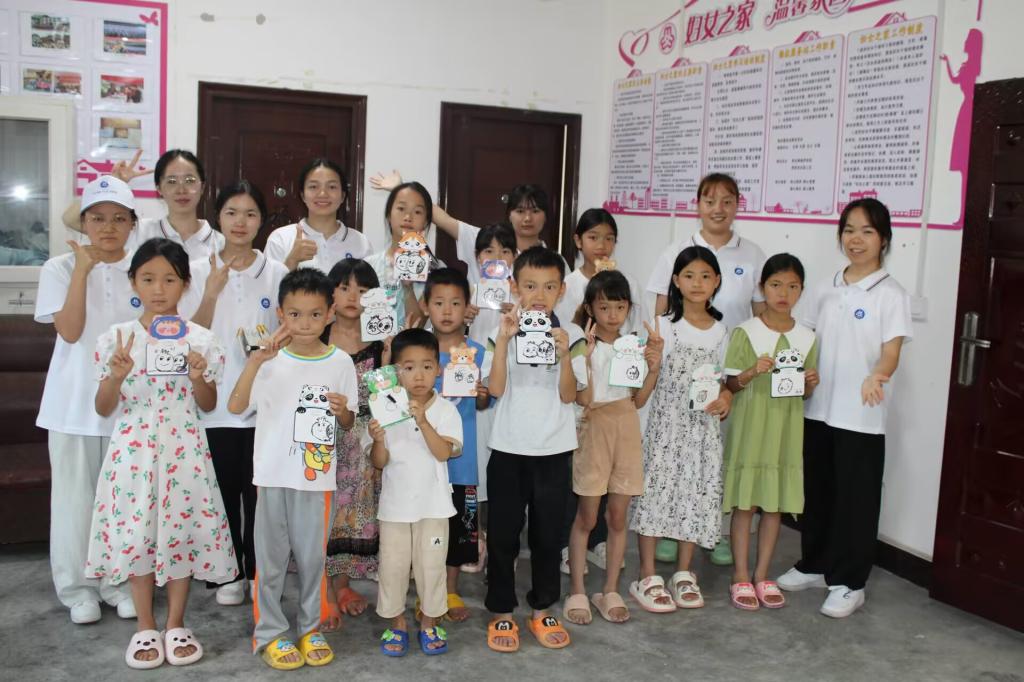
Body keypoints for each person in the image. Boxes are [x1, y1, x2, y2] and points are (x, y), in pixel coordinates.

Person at [86, 238, 235, 669]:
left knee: (180, 532)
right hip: (133, 452)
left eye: (169, 279)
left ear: (185, 284)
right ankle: (145, 626)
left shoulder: (201, 340)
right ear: (133, 281)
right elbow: (103, 408)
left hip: (184, 448)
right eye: (148, 278)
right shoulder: (117, 339)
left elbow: (208, 404)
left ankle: (175, 624)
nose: (158, 289)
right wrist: (116, 376)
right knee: (138, 535)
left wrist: (198, 375)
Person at [776, 198, 912, 619]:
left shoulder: (891, 294)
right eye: (850, 230)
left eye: (867, 231)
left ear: (883, 239)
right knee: (818, 491)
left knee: (856, 499)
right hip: (818, 408)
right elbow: (805, 339)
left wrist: (877, 376)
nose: (856, 239)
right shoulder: (826, 287)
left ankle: (851, 582)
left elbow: (891, 352)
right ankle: (815, 564)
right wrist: (796, 374)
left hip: (861, 415)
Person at [228, 268, 358, 669]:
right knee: (269, 562)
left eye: (315, 314)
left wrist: (343, 411)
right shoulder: (268, 360)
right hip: (271, 476)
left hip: (316, 480)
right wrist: (255, 363)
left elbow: (349, 421)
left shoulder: (340, 362)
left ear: (330, 313)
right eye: (295, 314)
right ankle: (269, 633)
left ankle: (309, 628)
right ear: (281, 314)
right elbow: (236, 407)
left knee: (312, 560)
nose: (305, 324)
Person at [645, 173, 767, 566]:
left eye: (727, 201)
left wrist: (749, 372)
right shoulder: (676, 249)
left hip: (730, 370)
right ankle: (670, 528)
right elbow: (662, 309)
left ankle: (718, 531)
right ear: (697, 204)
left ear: (737, 205)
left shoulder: (752, 254)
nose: (718, 208)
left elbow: (760, 314)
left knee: (719, 455)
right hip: (680, 371)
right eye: (710, 200)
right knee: (675, 455)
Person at [35, 175, 139, 625]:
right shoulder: (59, 267)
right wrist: (82, 270)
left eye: (118, 218)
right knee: (74, 504)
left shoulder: (143, 269)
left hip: (130, 408)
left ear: (133, 224)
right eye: (97, 218)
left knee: (124, 501)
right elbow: (70, 330)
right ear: (83, 223)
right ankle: (78, 590)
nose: (108, 227)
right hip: (72, 405)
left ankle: (119, 584)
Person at [178, 180, 288, 606]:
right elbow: (186, 335)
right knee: (220, 494)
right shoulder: (196, 269)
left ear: (262, 221)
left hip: (263, 405)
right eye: (231, 213)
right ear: (218, 217)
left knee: (259, 497)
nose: (240, 222)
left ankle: (258, 572)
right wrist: (210, 293)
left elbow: (291, 331)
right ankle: (228, 574)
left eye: (250, 214)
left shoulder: (276, 273)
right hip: (212, 402)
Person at [484, 246, 588, 653]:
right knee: (503, 535)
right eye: (530, 285)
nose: (539, 295)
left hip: (554, 450)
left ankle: (543, 607)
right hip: (508, 447)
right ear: (515, 287)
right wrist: (504, 339)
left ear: (562, 290)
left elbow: (570, 396)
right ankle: (501, 611)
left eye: (548, 286)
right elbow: (494, 389)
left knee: (548, 535)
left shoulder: (573, 334)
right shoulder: (502, 329)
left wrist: (564, 356)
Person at [629, 247, 732, 614]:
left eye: (705, 276)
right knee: (655, 494)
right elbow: (643, 385)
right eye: (689, 275)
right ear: (675, 281)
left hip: (702, 431)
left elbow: (724, 381)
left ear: (717, 281)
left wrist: (726, 397)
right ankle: (647, 575)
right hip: (665, 427)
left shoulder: (722, 331)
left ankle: (684, 573)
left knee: (694, 495)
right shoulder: (662, 327)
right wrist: (652, 360)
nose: (697, 283)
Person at [563, 271, 663, 626]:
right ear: (590, 308)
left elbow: (638, 400)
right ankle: (577, 589)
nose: (612, 314)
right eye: (604, 307)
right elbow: (581, 398)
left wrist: (653, 368)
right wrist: (587, 360)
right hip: (594, 427)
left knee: (619, 516)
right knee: (587, 517)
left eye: (619, 307)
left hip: (626, 427)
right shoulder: (582, 345)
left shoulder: (632, 347)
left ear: (628, 309)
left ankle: (610, 589)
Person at [721, 254, 819, 611]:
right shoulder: (746, 331)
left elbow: (803, 393)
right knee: (745, 504)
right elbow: (731, 384)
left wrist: (810, 384)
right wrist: (751, 372)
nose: (783, 293)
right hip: (751, 425)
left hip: (785, 430)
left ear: (801, 291)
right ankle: (740, 574)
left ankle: (762, 574)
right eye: (776, 285)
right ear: (762, 287)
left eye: (792, 286)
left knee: (774, 504)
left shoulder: (807, 338)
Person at [368, 328, 464, 656]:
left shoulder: (446, 410)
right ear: (396, 372)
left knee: (432, 567)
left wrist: (423, 422)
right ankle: (397, 623)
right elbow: (379, 462)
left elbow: (444, 453)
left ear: (438, 369)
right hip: (394, 508)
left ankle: (429, 622)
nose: (418, 375)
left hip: (434, 507)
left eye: (426, 366)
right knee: (393, 567)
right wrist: (378, 440)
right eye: (408, 367)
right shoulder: (383, 408)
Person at [321, 258, 388, 628]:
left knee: (351, 517)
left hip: (361, 443)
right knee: (323, 515)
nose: (352, 297)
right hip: (321, 439)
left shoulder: (380, 341)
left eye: (363, 291)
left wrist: (390, 356)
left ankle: (342, 585)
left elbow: (389, 394)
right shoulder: (317, 334)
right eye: (344, 288)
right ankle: (325, 592)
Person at [422, 268, 489, 621]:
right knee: (425, 527)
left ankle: (450, 590)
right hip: (422, 460)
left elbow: (486, 402)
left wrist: (481, 393)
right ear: (426, 306)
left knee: (459, 530)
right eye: (439, 303)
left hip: (462, 462)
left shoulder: (477, 352)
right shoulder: (419, 351)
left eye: (455, 303)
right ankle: (426, 591)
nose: (447, 311)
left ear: (467, 308)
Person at [64, 149, 225, 259]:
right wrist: (114, 183)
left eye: (189, 180)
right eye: (171, 181)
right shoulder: (138, 231)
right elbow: (70, 219)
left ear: (202, 187)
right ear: (159, 188)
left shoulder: (221, 243)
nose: (181, 189)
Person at [264, 158, 373, 272]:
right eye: (313, 187)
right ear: (302, 195)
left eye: (332, 187)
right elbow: (268, 283)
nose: (322, 194)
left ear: (342, 196)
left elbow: (370, 283)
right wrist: (292, 261)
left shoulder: (361, 242)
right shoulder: (280, 239)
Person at [364, 181, 441, 328]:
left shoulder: (437, 270)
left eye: (417, 212)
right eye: (401, 208)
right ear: (389, 215)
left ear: (426, 221)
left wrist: (407, 288)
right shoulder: (368, 266)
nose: (408, 217)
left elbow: (417, 325)